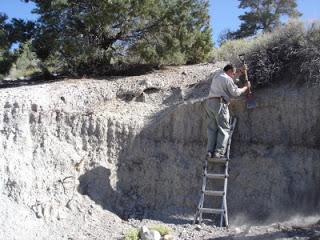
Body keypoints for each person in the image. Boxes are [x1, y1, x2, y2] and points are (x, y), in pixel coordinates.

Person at [206, 64, 250, 159]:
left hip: (209, 103)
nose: (234, 75)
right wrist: (245, 87)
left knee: (212, 129)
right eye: (233, 73)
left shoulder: (217, 75)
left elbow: (230, 80)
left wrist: (240, 71)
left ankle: (209, 151)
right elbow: (235, 92)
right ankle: (218, 153)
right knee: (224, 129)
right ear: (230, 71)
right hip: (220, 104)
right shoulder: (227, 78)